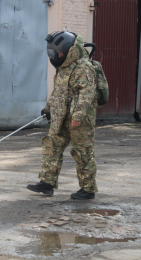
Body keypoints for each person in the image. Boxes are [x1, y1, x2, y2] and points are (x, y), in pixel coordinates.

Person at [27, 31, 98, 200]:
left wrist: (78, 116)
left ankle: (88, 189)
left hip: (78, 120)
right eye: (53, 52)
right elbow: (58, 92)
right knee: (51, 147)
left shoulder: (84, 67)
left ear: (69, 51)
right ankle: (47, 183)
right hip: (60, 117)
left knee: (82, 153)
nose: (55, 55)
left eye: (58, 52)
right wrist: (49, 108)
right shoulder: (62, 68)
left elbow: (86, 93)